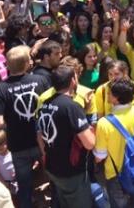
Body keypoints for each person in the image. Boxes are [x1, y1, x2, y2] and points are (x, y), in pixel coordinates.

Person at [0, 45, 50, 208]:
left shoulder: (0, 89)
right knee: (53, 177)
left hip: (18, 145)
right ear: (27, 63)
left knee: (24, 186)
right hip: (43, 141)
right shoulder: (40, 80)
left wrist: (14, 122)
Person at [36, 65, 96, 207]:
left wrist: (44, 153)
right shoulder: (71, 107)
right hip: (72, 172)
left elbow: (39, 133)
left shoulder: (45, 103)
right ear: (73, 81)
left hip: (53, 167)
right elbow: (89, 143)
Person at [94, 78, 134, 207]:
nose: (107, 95)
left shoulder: (104, 123)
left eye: (109, 93)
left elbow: (100, 156)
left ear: (116, 98)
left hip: (115, 174)